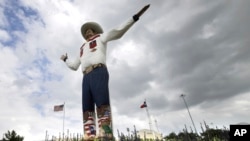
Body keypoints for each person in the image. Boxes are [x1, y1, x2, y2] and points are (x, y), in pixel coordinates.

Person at [60, 4, 150, 141]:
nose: (87, 33)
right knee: (87, 107)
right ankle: (89, 136)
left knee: (102, 103)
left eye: (90, 31)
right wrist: (66, 60)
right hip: (86, 76)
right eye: (86, 32)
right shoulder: (82, 48)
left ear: (95, 31)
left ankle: (106, 134)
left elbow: (118, 31)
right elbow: (74, 66)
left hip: (98, 71)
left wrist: (134, 18)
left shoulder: (101, 38)